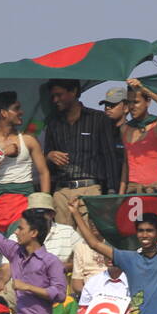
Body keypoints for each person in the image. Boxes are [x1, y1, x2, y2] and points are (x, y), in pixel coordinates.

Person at [42, 79, 121, 228]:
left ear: (73, 92)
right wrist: (49, 156)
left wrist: (111, 193)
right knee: (63, 246)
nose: (55, 100)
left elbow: (109, 156)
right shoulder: (53, 123)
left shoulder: (99, 119)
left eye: (59, 95)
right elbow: (45, 160)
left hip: (90, 190)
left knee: (88, 243)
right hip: (61, 192)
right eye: (53, 96)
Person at [0, 90, 48, 229]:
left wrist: (43, 204)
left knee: (28, 243)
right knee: (1, 245)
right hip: (1, 197)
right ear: (3, 113)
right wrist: (1, 154)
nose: (21, 112)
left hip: (26, 194)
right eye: (16, 109)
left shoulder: (29, 140)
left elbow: (44, 173)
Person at [118, 78, 157, 194]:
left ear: (148, 102)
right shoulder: (124, 129)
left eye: (136, 102)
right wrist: (120, 194)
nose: (132, 107)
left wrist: (144, 89)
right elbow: (126, 163)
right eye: (129, 102)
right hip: (133, 189)